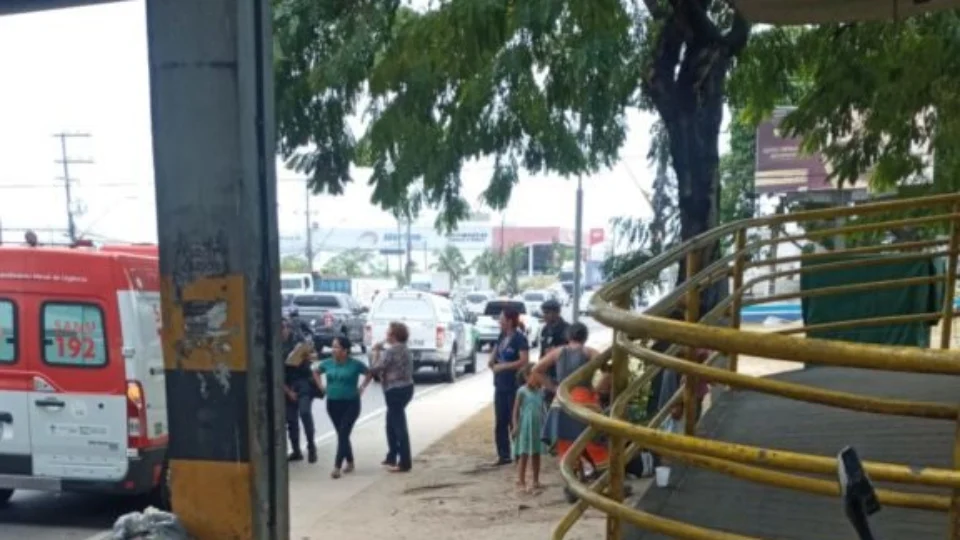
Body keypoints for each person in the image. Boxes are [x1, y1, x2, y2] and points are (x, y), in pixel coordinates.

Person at [534, 322, 608, 475]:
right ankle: (603, 476)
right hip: (584, 400)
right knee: (593, 441)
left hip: (562, 401)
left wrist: (554, 388)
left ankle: (572, 479)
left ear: (568, 336)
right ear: (585, 337)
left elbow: (536, 370)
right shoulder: (589, 352)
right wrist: (598, 389)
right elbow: (609, 371)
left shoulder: (558, 352)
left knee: (565, 441)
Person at [317, 335, 373, 478]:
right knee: (342, 434)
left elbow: (369, 373)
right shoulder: (327, 363)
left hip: (351, 403)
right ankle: (350, 461)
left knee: (343, 433)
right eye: (333, 346)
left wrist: (362, 387)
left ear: (345, 350)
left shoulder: (354, 364)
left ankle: (337, 466)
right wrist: (321, 386)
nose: (333, 350)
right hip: (333, 403)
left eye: (337, 347)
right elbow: (316, 372)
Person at [369, 322, 415, 473]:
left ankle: (405, 462)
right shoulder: (406, 349)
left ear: (393, 336)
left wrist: (376, 352)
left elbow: (375, 368)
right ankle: (392, 455)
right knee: (390, 423)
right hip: (407, 387)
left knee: (399, 426)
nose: (385, 336)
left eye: (388, 334)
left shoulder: (390, 352)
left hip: (394, 390)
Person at [488, 308, 529, 465]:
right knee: (500, 421)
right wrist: (492, 361)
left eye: (502, 319)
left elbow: (524, 361)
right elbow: (496, 352)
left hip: (514, 386)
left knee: (515, 420)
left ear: (510, 321)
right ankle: (503, 455)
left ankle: (519, 454)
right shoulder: (502, 336)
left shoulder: (520, 339)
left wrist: (504, 366)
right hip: (500, 384)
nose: (500, 322)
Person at [281, 317, 322, 464]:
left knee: (305, 413)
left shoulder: (298, 340)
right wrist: (288, 392)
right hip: (287, 383)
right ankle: (296, 450)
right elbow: (276, 375)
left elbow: (314, 356)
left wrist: (307, 356)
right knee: (291, 420)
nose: (283, 331)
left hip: (303, 382)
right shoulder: (275, 346)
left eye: (284, 327)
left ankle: (312, 447)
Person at [511, 364, 545, 493]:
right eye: (534, 375)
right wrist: (515, 426)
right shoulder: (522, 391)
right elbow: (515, 411)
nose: (538, 378)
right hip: (525, 426)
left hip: (537, 427)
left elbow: (542, 410)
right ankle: (521, 480)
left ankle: (536, 480)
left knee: (536, 453)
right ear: (526, 376)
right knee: (524, 453)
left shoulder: (540, 392)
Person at [538, 298, 569, 407]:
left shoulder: (567, 329)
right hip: (547, 374)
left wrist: (556, 351)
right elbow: (542, 352)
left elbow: (573, 350)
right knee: (547, 407)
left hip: (561, 374)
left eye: (547, 313)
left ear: (556, 313)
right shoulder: (545, 329)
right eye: (544, 313)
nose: (544, 316)